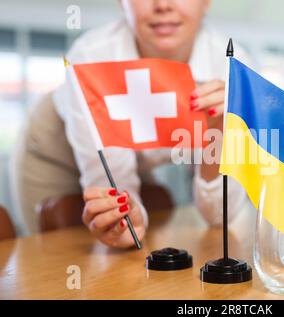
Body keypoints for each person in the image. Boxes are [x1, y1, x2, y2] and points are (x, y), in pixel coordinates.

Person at [11, 0, 249, 247]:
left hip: (137, 158)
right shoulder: (91, 57)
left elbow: (220, 216)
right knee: (53, 254)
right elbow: (111, 181)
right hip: (56, 154)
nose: (163, 5)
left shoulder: (232, 66)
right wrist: (126, 220)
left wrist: (217, 135)